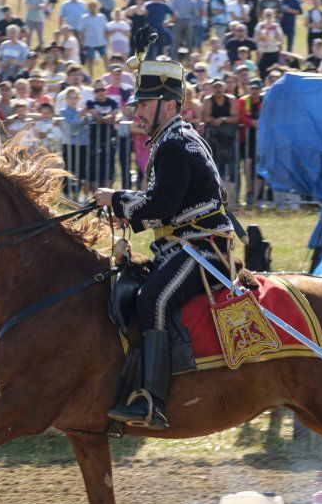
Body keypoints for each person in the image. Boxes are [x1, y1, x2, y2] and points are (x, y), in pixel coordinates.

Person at [93, 58, 235, 430]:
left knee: (151, 299)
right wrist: (130, 214)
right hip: (186, 245)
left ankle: (152, 402)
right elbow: (169, 206)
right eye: (137, 104)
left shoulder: (174, 144)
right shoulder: (174, 139)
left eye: (143, 104)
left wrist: (117, 199)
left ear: (169, 104)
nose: (136, 112)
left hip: (202, 250)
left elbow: (163, 204)